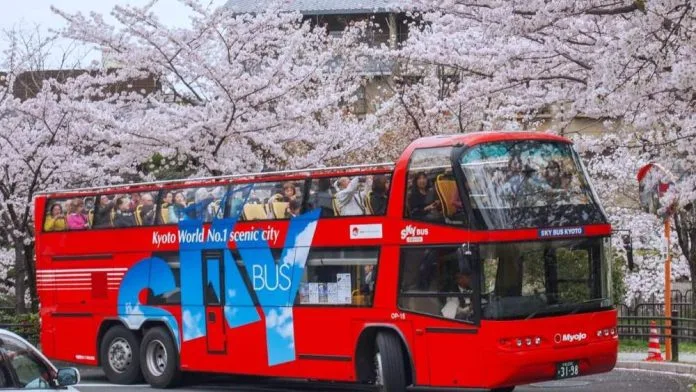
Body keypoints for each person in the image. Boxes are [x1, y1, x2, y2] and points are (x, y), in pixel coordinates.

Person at [441, 249, 474, 321]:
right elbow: (455, 311)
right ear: (459, 279)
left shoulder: (469, 290)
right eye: (467, 277)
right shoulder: (452, 292)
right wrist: (469, 308)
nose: (469, 279)